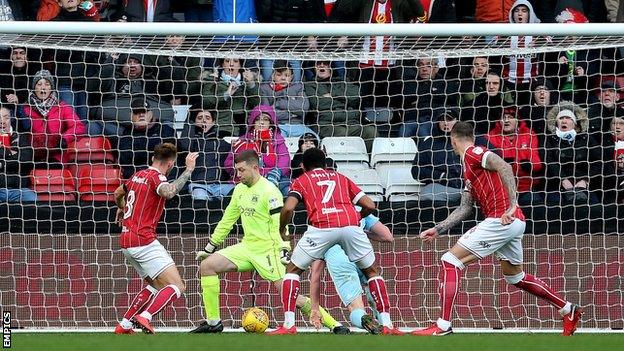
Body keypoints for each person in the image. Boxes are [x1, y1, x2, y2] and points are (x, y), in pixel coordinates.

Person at [412, 121, 582, 336]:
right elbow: (465, 208)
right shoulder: (468, 167)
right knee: (515, 277)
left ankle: (443, 325)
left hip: (501, 219)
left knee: (450, 260)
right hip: (513, 223)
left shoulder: (475, 152)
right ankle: (567, 309)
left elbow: (503, 165)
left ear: (453, 140)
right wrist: (438, 229)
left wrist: (512, 204)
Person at [192, 150, 348, 334]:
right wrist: (210, 248)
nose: (238, 175)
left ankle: (335, 325)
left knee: (290, 295)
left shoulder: (269, 191)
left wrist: (284, 248)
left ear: (255, 167)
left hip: (269, 249)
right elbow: (227, 220)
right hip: (247, 247)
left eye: (242, 170)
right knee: (207, 266)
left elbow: (280, 223)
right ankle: (213, 323)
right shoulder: (239, 190)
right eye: (236, 171)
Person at [272, 148, 400, 335]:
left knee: (292, 271)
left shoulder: (301, 180)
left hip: (321, 227)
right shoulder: (341, 178)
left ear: (302, 166)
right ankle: (387, 325)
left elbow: (288, 208)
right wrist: (357, 217)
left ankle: (289, 325)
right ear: (325, 164)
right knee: (372, 272)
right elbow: (370, 205)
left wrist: (282, 230)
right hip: (350, 225)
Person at [113, 143, 198, 334]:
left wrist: (122, 207)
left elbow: (118, 193)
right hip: (143, 240)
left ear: (153, 158)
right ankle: (145, 316)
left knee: (155, 285)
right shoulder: (157, 177)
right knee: (177, 286)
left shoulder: (137, 175)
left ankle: (125, 325)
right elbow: (168, 192)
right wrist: (189, 170)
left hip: (126, 242)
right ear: (170, 164)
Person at [309, 213, 396, 334]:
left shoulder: (321, 215)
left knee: (355, 307)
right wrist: (362, 233)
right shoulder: (359, 209)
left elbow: (316, 273)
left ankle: (364, 319)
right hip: (359, 250)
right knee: (372, 282)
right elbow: (388, 236)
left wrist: (314, 307)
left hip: (338, 258)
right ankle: (386, 324)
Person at [17, 69, 87, 164]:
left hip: (57, 158)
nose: (43, 87)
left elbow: (79, 127)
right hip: (31, 157)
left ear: (51, 87)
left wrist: (64, 139)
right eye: (39, 84)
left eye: (47, 84)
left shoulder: (62, 106)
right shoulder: (25, 109)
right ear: (34, 88)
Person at [224, 105, 291, 195]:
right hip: (246, 181)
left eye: (266, 119)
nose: (261, 123)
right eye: (258, 119)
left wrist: (275, 173)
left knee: (288, 191)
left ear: (271, 123)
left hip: (274, 180)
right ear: (253, 122)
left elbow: (285, 160)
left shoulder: (278, 140)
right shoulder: (242, 141)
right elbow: (229, 164)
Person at [486, 107, 543, 207]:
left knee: (536, 205)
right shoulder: (490, 137)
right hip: (501, 188)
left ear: (518, 120)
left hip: (525, 187)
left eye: (511, 117)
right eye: (504, 117)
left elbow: (537, 163)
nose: (506, 120)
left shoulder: (529, 134)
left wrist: (528, 165)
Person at [178, 109, 234, 201]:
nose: (204, 120)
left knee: (236, 194)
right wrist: (190, 121)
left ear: (213, 122)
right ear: (194, 122)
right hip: (199, 185)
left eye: (207, 118)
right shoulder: (191, 141)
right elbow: (184, 146)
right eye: (199, 118)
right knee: (200, 199)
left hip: (222, 185)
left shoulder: (223, 140)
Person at [118, 98, 177, 179]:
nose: (141, 115)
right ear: (131, 116)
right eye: (137, 112)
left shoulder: (165, 130)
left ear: (151, 113)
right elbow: (126, 157)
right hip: (136, 177)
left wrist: (139, 147)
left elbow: (168, 154)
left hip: (163, 177)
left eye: (144, 112)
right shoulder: (127, 133)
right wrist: (153, 147)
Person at [259, 60, 313, 137]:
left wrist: (279, 103)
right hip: (277, 126)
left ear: (291, 77)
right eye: (279, 75)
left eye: (287, 75)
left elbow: (304, 108)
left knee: (315, 138)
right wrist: (292, 114)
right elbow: (268, 114)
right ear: (272, 76)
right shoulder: (265, 89)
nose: (283, 78)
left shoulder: (298, 88)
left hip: (297, 125)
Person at [0, 106, 36, 202]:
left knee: (31, 198)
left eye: (6, 117)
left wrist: (2, 163)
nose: (2, 121)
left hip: (19, 189)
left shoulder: (22, 138)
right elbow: (19, 158)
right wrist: (12, 153)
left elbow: (26, 160)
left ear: (11, 119)